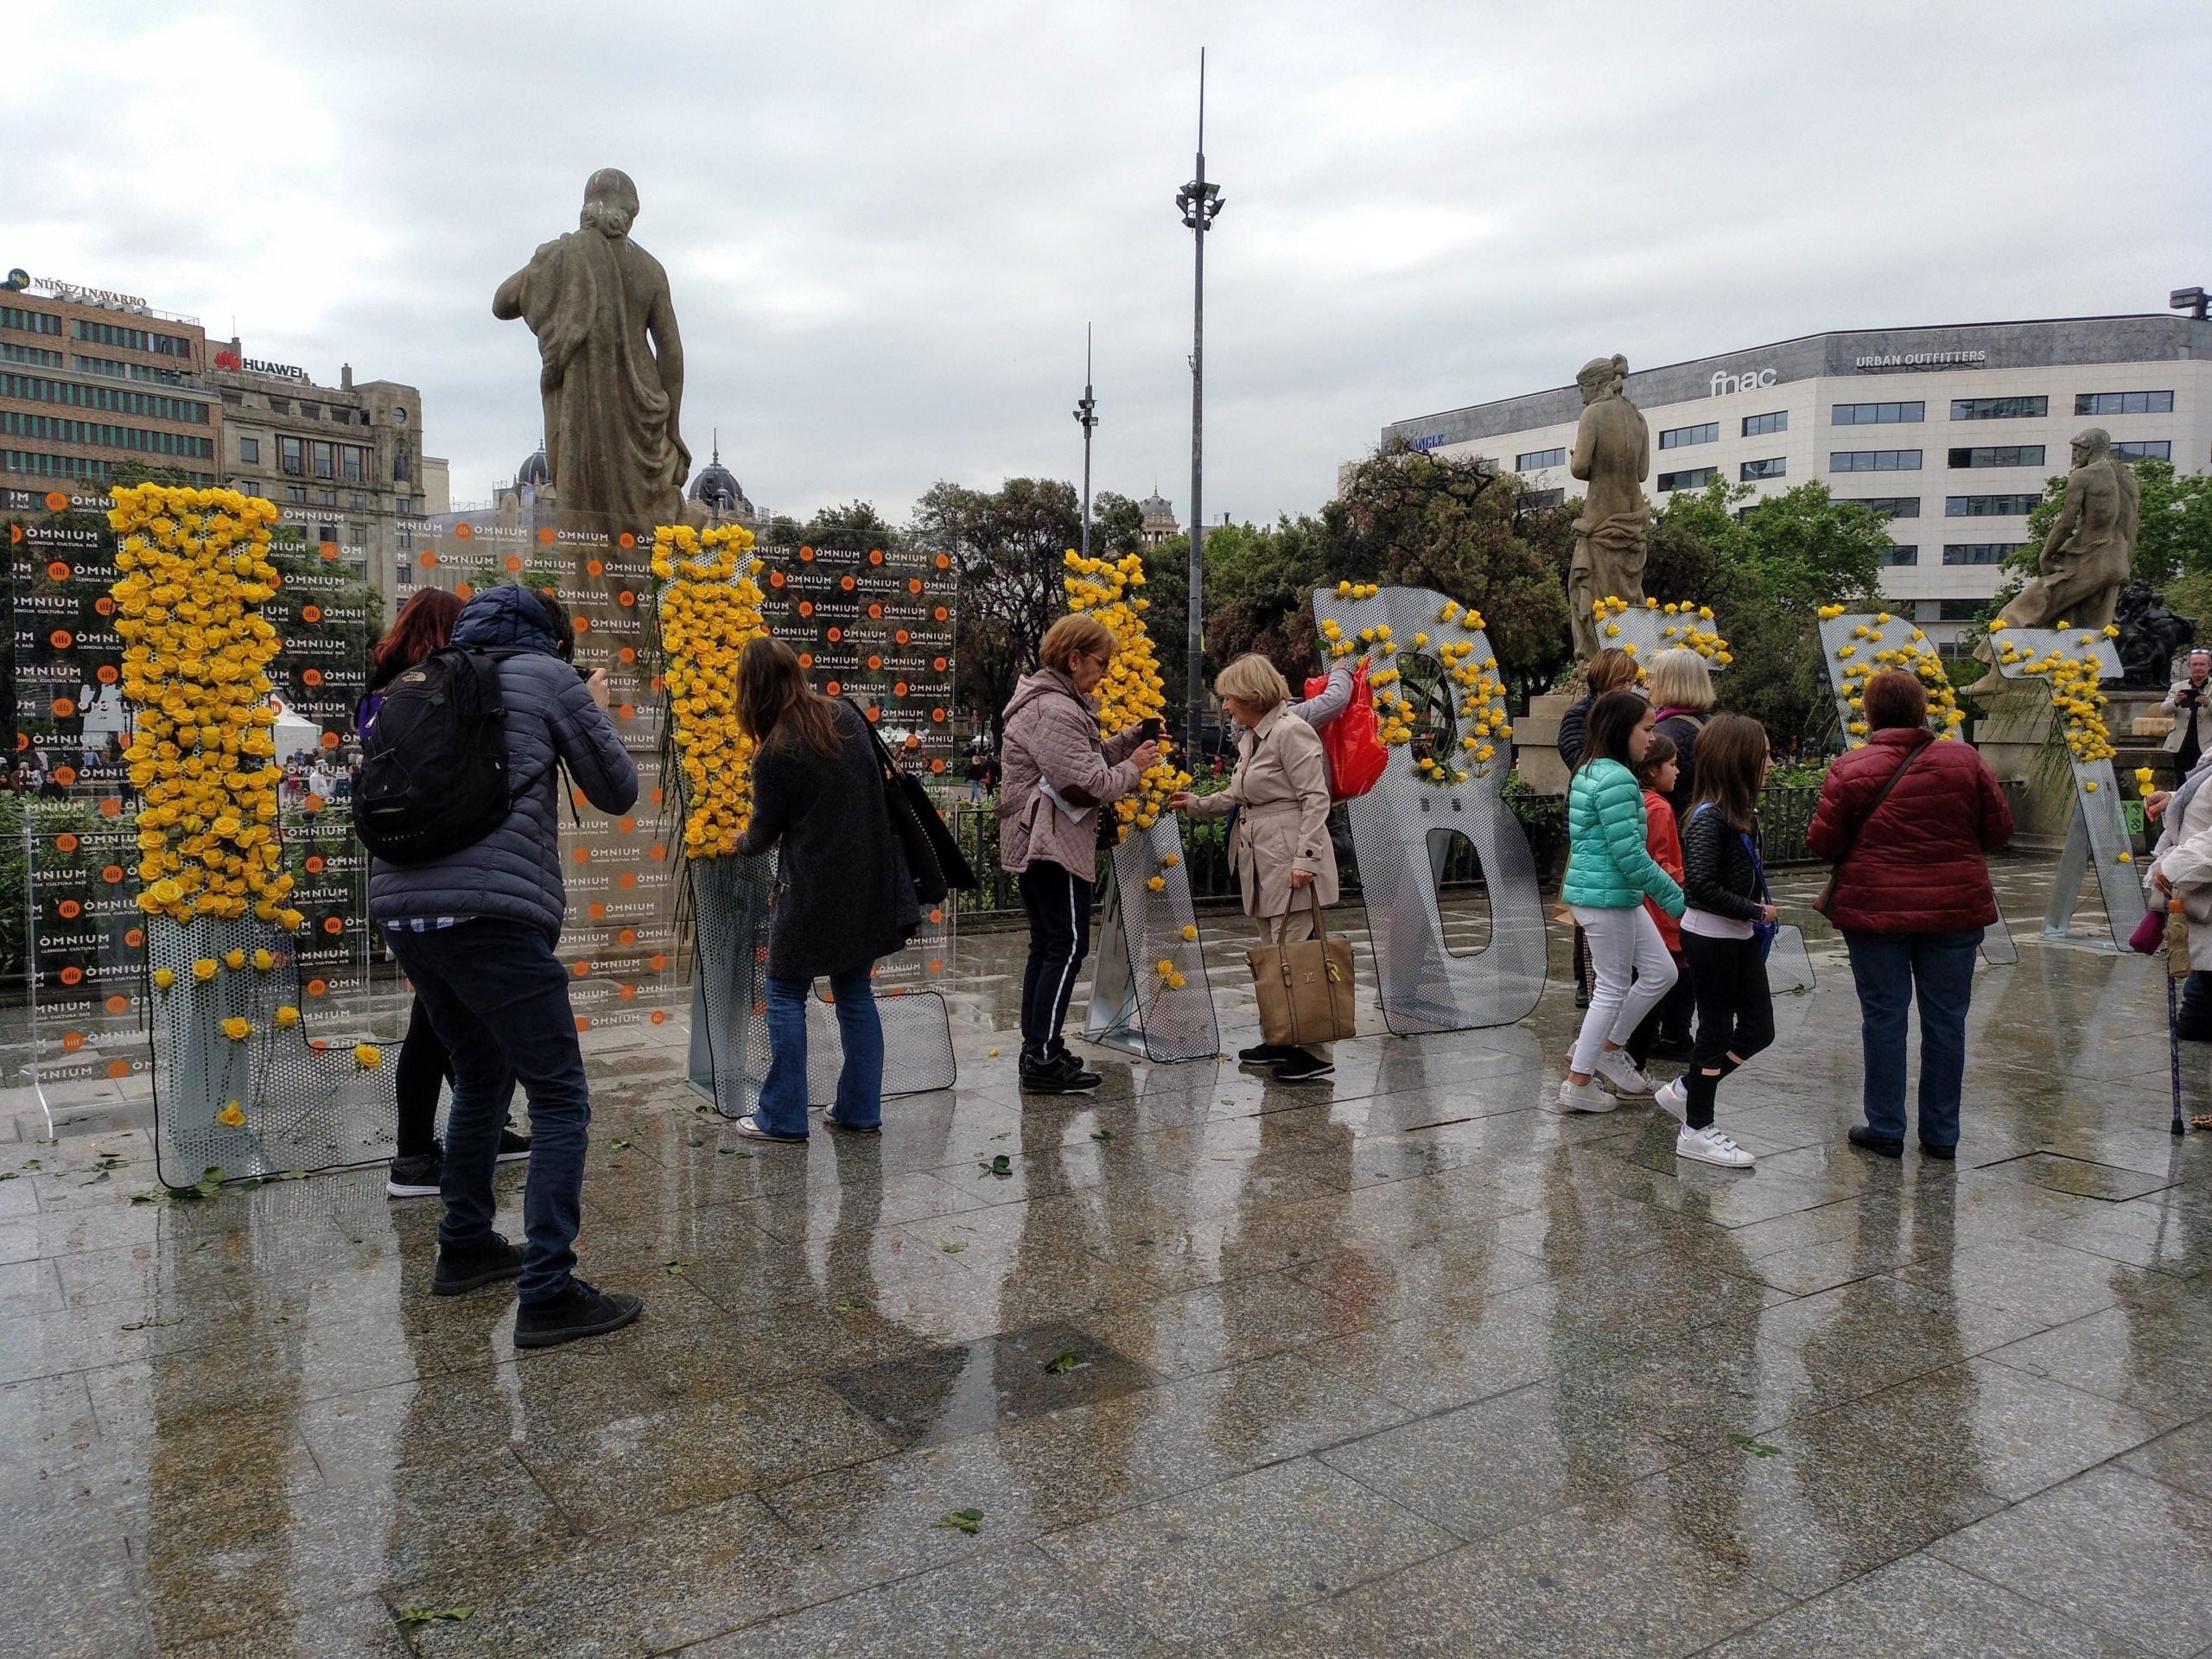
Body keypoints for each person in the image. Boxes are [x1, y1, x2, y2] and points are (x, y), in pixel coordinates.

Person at [369, 583, 642, 1349]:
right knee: (559, 1098)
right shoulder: (548, 676)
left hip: (403, 912)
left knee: (482, 1073)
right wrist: (591, 701)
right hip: (492, 915)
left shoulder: (416, 681)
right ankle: (549, 1290)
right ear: (549, 637)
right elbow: (616, 790)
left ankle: (464, 1246)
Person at [361, 588, 537, 1200]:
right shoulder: (442, 691)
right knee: (433, 1026)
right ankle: (412, 1157)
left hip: (396, 867)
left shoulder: (383, 693)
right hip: (441, 873)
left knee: (446, 1019)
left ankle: (479, 1128)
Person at [1808, 668, 2012, 1160]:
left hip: (1875, 911)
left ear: (1870, 714)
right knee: (1947, 1021)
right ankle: (1942, 1134)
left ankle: (1886, 1127)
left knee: (1883, 1016)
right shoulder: (1965, 761)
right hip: (1953, 910)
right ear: (1924, 711)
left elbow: (1823, 842)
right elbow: (1999, 830)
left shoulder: (1851, 768)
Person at [729, 639, 917, 1141]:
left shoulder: (774, 754)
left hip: (811, 889)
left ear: (751, 691)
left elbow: (762, 834)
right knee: (854, 991)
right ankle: (858, 1110)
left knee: (784, 991)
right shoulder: (845, 717)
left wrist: (736, 840)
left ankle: (782, 1117)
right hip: (866, 883)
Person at [998, 614, 1160, 1094]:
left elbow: (1078, 760)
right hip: (1053, 842)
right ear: (1073, 659)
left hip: (1042, 840)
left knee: (1048, 945)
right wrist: (1134, 766)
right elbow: (1086, 783)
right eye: (1100, 662)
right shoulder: (1057, 709)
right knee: (1066, 946)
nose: (1106, 671)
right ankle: (1043, 1057)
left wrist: (1128, 740)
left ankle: (1039, 1047)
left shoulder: (1051, 703)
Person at [1170, 654, 1340, 1083]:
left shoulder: (1291, 732)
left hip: (1287, 857)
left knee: (1295, 954)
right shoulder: (1255, 736)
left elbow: (1315, 799)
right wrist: (1198, 804)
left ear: (1251, 696)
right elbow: (1240, 791)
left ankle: (1316, 1050)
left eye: (1229, 697)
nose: (1225, 705)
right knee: (1271, 955)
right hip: (1262, 854)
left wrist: (1306, 860)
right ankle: (1281, 1036)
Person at [1652, 715, 1772, 1168]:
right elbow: (1699, 886)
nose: (1770, 763)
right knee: (1716, 1029)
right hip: (1713, 938)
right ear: (1739, 760)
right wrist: (1755, 911)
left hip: (1736, 936)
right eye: (1763, 755)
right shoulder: (1711, 817)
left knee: (1760, 1028)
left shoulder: (1741, 813)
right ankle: (1696, 1127)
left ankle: (1688, 1090)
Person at [1555, 690, 1683, 1112]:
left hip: (1610, 894)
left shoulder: (1592, 770)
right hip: (1607, 896)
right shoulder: (1616, 779)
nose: (1652, 738)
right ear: (1621, 729)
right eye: (1646, 728)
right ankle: (1579, 1080)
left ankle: (1606, 1050)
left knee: (1660, 972)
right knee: (1612, 988)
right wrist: (1679, 903)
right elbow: (1631, 856)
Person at [1557, 649, 1641, 1009]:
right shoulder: (1580, 715)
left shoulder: (1633, 713)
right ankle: (1585, 976)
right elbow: (1578, 758)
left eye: (1632, 681)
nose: (1629, 687)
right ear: (1604, 680)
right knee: (1590, 900)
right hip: (1593, 818)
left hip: (1623, 811)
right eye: (1622, 680)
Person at [1622, 730, 1693, 1072]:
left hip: (1637, 902)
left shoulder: (1635, 801)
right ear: (1653, 770)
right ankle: (1636, 1055)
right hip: (1661, 906)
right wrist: (1685, 884)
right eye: (1672, 764)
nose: (1678, 771)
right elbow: (1662, 861)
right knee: (1664, 977)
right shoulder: (1661, 808)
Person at [1647, 648, 1716, 824]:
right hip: (1705, 826)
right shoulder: (1712, 724)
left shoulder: (1663, 733)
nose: (1647, 685)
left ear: (1669, 682)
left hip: (1675, 828)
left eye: (1652, 677)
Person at [2160, 649, 2212, 787]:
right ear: (2189, 666)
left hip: (2207, 745)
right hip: (2182, 744)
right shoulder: (2177, 687)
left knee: (2205, 785)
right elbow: (2164, 710)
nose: (2198, 668)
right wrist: (2176, 701)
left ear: (2209, 666)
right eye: (2194, 664)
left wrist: (2208, 703)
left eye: (2202, 664)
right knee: (2181, 782)